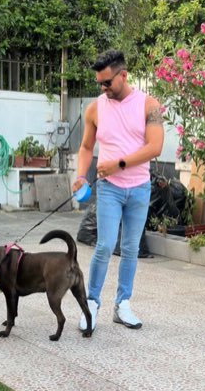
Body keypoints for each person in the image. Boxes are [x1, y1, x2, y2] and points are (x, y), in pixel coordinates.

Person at [72, 50, 164, 331]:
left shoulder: (150, 105)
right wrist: (80, 176)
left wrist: (118, 164)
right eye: (100, 83)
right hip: (109, 189)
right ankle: (91, 304)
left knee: (131, 249)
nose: (103, 88)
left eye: (108, 82)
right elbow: (87, 148)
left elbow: (154, 147)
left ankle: (122, 305)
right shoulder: (95, 109)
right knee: (104, 245)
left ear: (123, 75)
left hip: (139, 189)